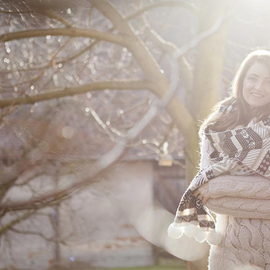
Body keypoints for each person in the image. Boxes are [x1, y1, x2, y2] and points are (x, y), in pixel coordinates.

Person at [168, 49, 270, 270]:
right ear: (242, 80)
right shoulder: (218, 127)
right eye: (252, 78)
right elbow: (210, 200)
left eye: (267, 81)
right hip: (230, 254)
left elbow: (211, 191)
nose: (258, 87)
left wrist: (220, 186)